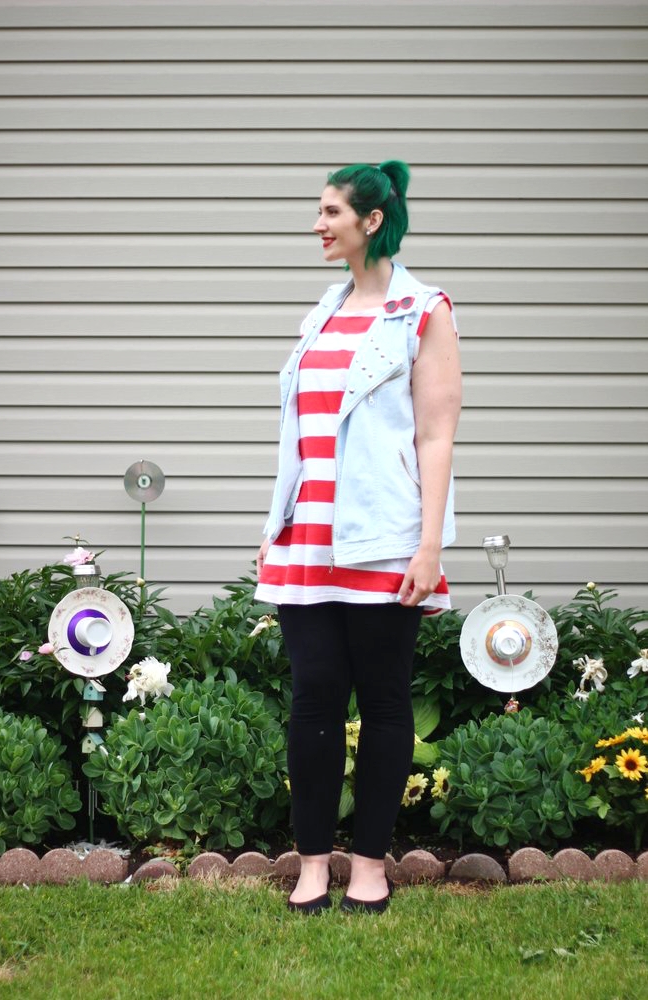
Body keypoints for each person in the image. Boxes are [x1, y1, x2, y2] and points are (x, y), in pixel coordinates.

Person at [255, 161, 462, 913]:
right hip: (306, 541)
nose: (318, 223)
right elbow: (299, 436)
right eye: (319, 210)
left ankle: (369, 863)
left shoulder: (421, 310)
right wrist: (274, 525)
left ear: (370, 221)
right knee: (312, 698)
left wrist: (429, 546)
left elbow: (436, 436)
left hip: (386, 539)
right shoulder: (321, 314)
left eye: (330, 210)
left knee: (381, 701)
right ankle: (313, 861)